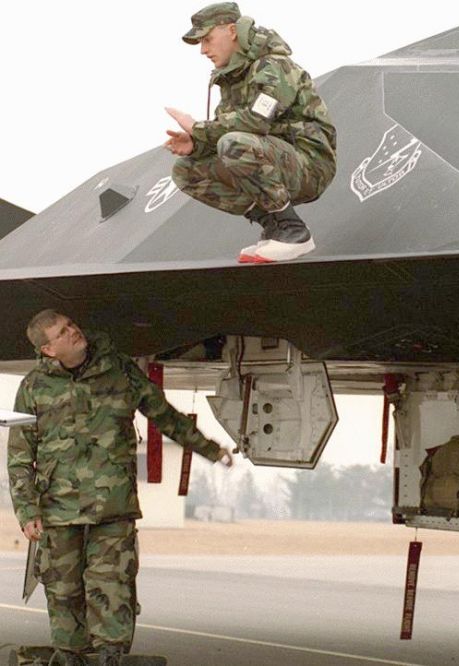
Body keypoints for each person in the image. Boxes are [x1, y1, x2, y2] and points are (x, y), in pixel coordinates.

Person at [6, 310, 234, 666]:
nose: (74, 331)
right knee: (63, 590)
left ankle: (111, 657)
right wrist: (26, 510)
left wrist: (209, 449)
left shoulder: (119, 370)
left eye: (71, 324)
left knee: (112, 587)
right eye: (63, 332)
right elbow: (20, 455)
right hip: (57, 509)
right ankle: (70, 657)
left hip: (113, 507)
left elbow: (163, 414)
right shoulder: (33, 387)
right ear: (49, 349)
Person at [164, 2, 337, 264]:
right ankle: (275, 226)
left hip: (309, 165)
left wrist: (198, 128)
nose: (203, 50)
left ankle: (295, 231)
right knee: (186, 170)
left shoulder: (273, 66)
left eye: (207, 39)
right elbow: (230, 132)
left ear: (231, 31)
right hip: (272, 160)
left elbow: (256, 122)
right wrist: (195, 145)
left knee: (234, 143)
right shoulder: (232, 78)